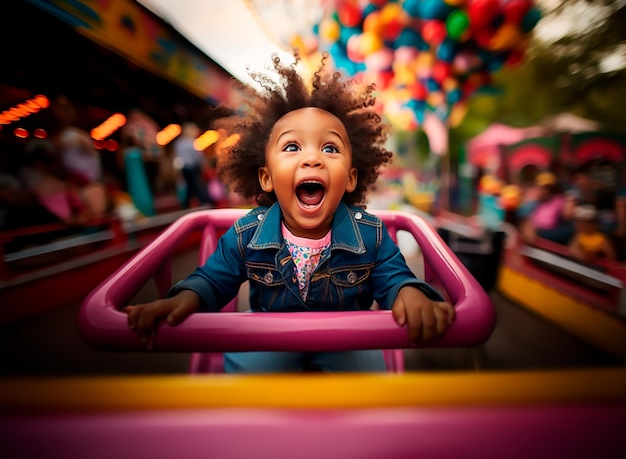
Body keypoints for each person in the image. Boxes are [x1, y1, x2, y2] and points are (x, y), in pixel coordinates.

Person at [125, 54, 455, 373]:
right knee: (244, 386)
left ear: (351, 178)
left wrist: (409, 294)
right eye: (292, 147)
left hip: (347, 339)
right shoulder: (247, 233)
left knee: (372, 389)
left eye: (329, 148)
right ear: (266, 177)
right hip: (268, 337)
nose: (312, 159)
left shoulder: (371, 234)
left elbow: (394, 277)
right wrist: (188, 296)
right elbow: (213, 278)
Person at [518, 171, 574, 245]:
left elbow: (567, 217)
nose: (545, 191)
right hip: (536, 239)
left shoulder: (559, 201)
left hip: (550, 238)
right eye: (542, 188)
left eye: (548, 188)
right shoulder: (534, 203)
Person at [173, 122, 211, 207]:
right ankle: (203, 202)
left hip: (183, 167)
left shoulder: (179, 143)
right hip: (192, 167)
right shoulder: (191, 142)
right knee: (196, 185)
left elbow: (177, 156)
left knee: (189, 186)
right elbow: (198, 156)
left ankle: (186, 204)